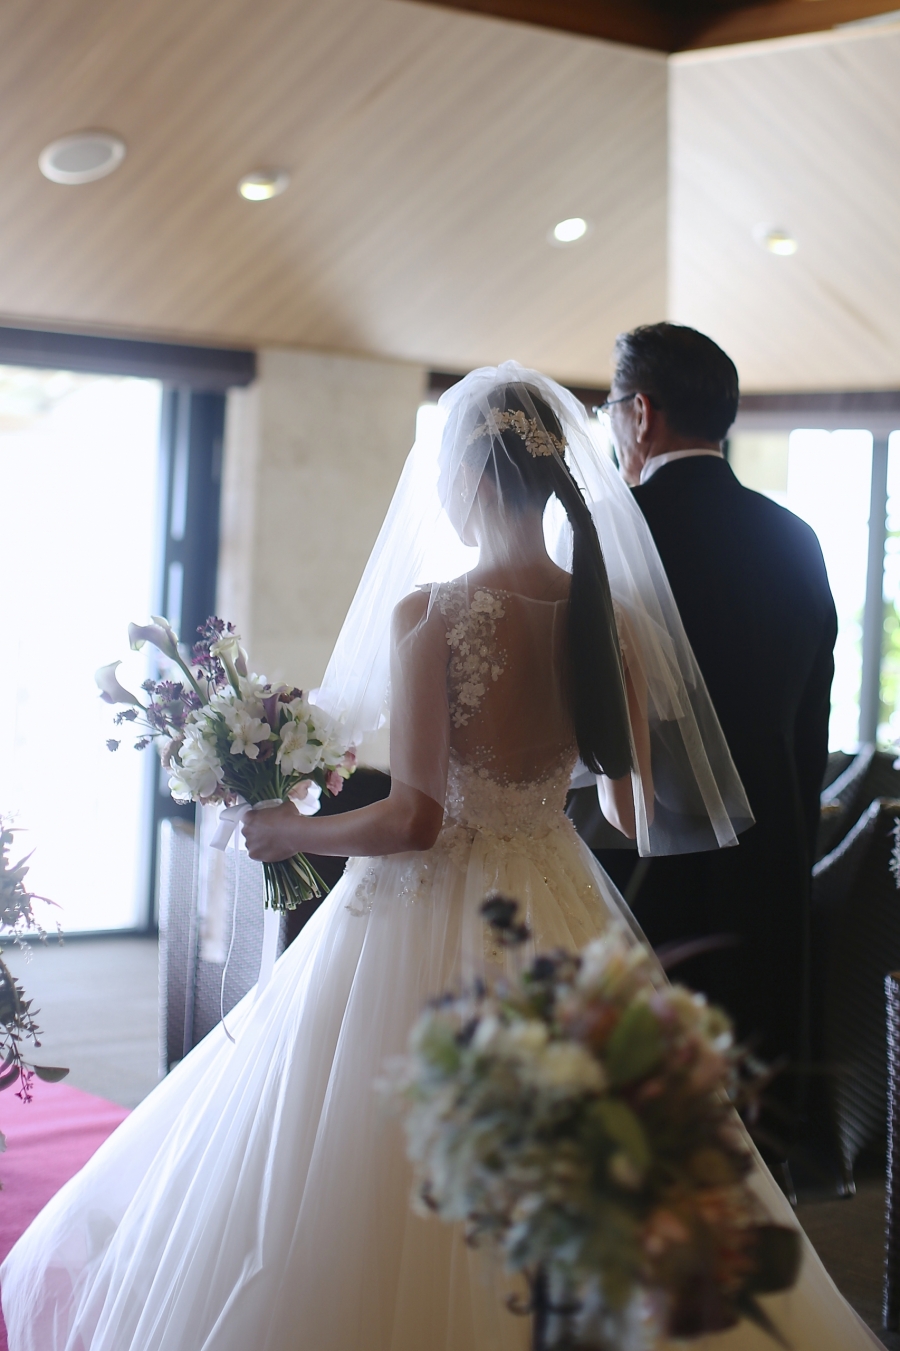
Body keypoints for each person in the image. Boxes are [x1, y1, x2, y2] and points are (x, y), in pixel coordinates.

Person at [1, 364, 875, 1350]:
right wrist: (537, 786)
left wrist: (290, 831)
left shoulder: (433, 614)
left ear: (471, 478)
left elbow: (413, 818)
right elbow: (628, 812)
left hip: (429, 909)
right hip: (558, 899)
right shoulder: (613, 617)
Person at [576, 322, 837, 1125]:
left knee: (645, 1112)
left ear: (641, 412)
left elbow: (584, 723)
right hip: (771, 864)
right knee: (747, 1109)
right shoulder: (796, 538)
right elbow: (811, 729)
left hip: (646, 868)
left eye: (611, 407)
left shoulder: (612, 531)